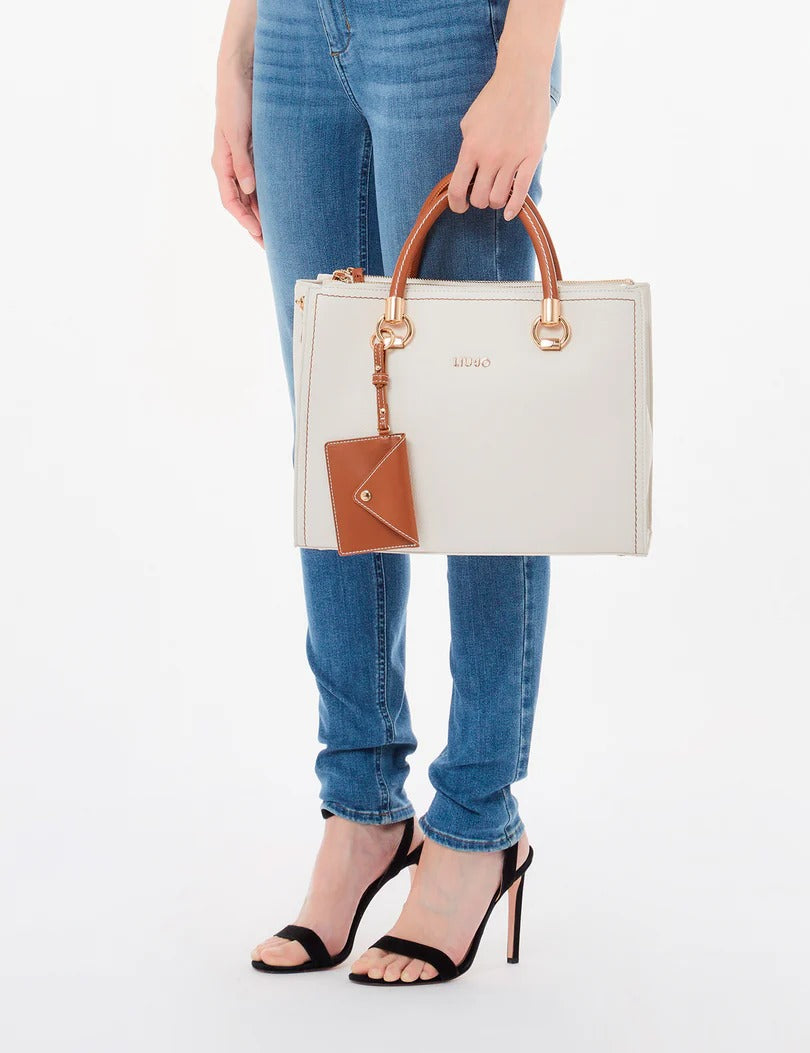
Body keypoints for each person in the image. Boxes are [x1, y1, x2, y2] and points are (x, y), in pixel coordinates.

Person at [213, 0, 564, 986]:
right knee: (339, 437)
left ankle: (477, 822)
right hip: (294, 32)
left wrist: (525, 58)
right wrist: (237, 49)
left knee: (476, 442)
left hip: (449, 28)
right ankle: (361, 810)